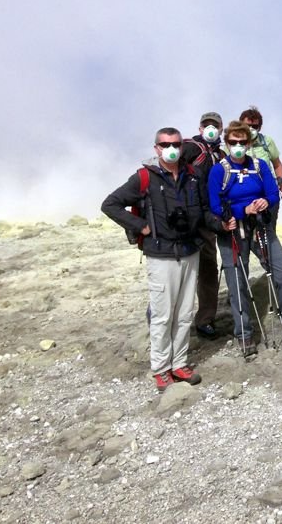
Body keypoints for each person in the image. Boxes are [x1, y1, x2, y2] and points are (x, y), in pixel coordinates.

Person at [102, 127, 221, 391]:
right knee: (162, 315)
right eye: (166, 144)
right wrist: (140, 226)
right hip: (161, 254)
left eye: (176, 144)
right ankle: (160, 368)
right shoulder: (145, 177)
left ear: (182, 147)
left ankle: (179, 363)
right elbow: (110, 204)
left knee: (184, 313)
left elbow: (202, 210)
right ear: (156, 148)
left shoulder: (192, 175)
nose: (172, 149)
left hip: (190, 251)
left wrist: (220, 223)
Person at [208, 121, 282, 357]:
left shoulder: (259, 166)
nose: (238, 146)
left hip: (260, 227)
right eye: (233, 142)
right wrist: (240, 211)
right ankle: (244, 335)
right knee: (238, 281)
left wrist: (265, 202)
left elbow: (272, 192)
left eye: (242, 142)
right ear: (226, 143)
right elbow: (215, 205)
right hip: (234, 231)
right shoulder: (219, 170)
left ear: (249, 143)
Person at [180, 111, 226, 338]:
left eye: (214, 126)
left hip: (208, 221)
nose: (210, 129)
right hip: (186, 221)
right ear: (199, 128)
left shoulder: (222, 155)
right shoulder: (189, 148)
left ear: (221, 129)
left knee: (208, 269)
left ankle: (205, 319)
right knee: (179, 269)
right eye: (206, 125)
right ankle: (168, 316)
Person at [238, 106, 282, 196]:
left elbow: (277, 165)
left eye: (254, 126)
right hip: (242, 192)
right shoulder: (233, 143)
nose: (250, 128)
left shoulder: (267, 141)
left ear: (259, 128)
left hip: (267, 190)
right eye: (247, 125)